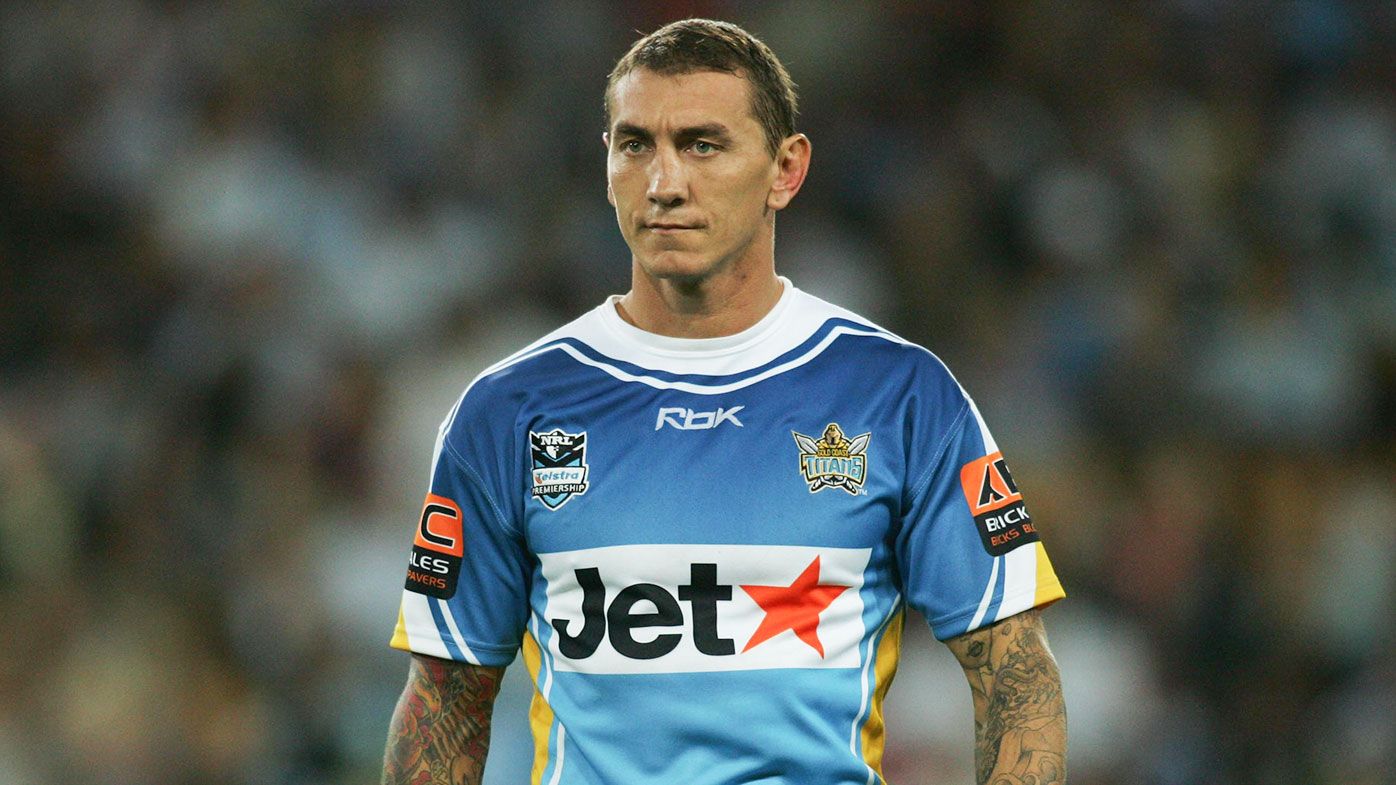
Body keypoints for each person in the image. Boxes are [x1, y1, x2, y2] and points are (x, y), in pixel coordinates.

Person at [381, 18, 1066, 785]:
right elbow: (445, 700)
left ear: (786, 169)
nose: (664, 183)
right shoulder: (507, 411)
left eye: (703, 145)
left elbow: (1016, 674)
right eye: (635, 145)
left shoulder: (902, 396)